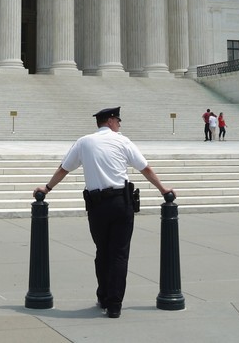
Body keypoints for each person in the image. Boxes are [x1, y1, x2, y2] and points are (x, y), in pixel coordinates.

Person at [34, 106, 174, 319]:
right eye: (118, 120)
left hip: (97, 206)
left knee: (102, 251)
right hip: (120, 203)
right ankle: (115, 304)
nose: (119, 124)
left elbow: (64, 168)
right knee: (119, 254)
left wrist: (47, 188)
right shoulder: (122, 141)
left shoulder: (84, 142)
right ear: (110, 121)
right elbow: (145, 168)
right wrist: (163, 189)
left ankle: (104, 295)